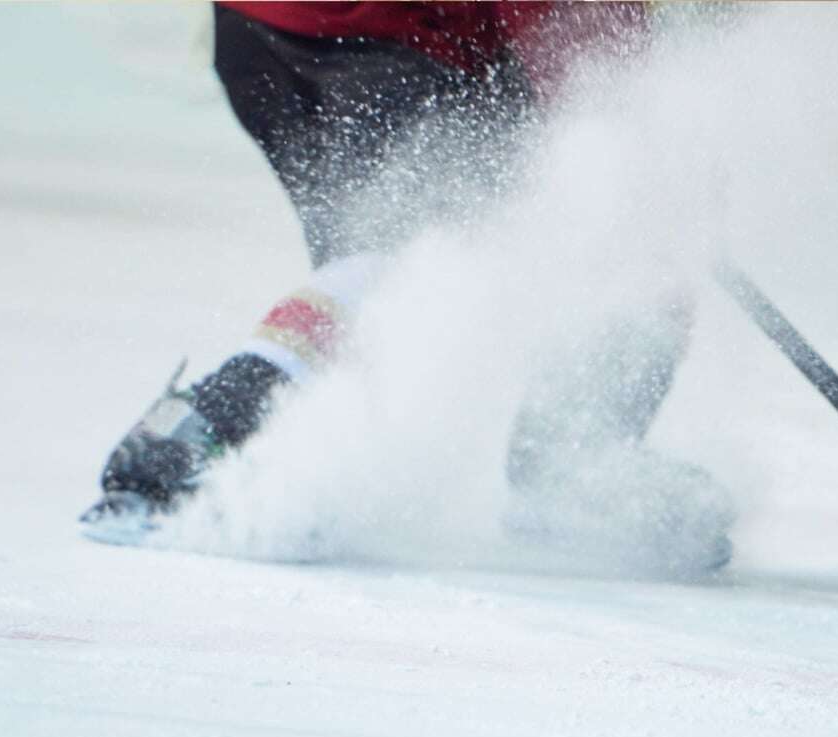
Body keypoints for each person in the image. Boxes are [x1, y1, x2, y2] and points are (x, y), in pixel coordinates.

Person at [80, 2, 736, 578]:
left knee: (392, 269)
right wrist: (644, 158)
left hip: (259, 31)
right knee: (428, 248)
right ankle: (204, 430)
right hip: (379, 32)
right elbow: (591, 63)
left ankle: (283, 457)